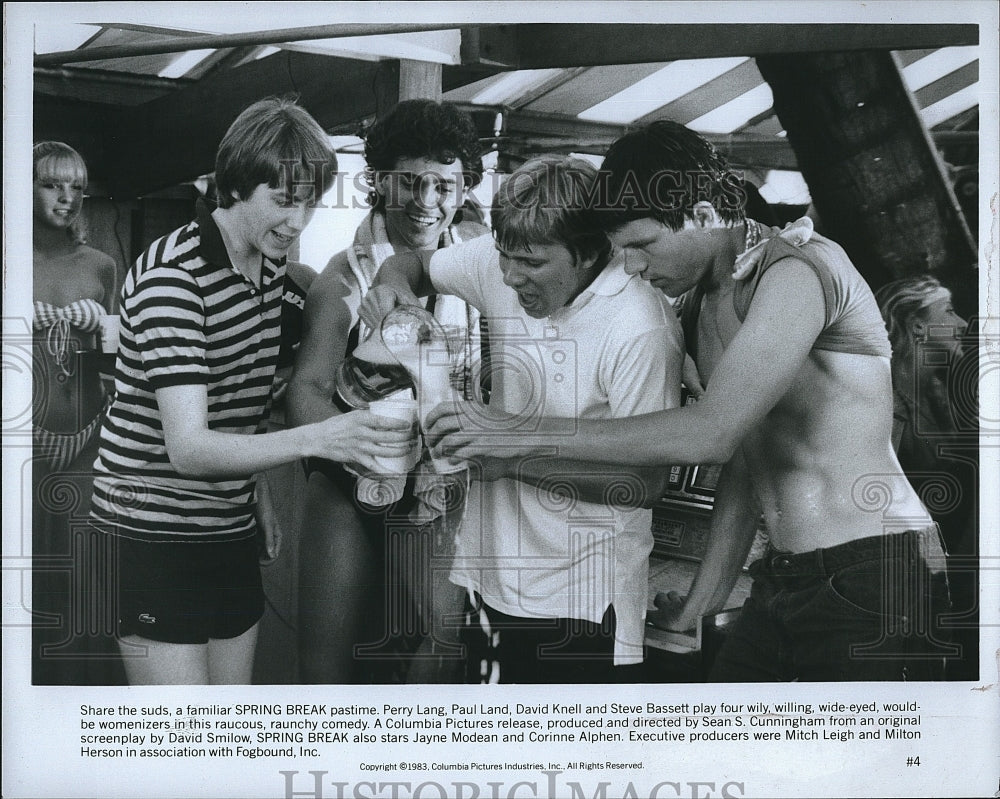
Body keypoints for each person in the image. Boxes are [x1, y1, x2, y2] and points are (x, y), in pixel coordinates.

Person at [425, 121, 954, 682]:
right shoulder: (705, 302)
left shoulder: (797, 270)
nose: (630, 265)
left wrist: (513, 432)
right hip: (787, 576)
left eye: (640, 246)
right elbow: (750, 461)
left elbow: (712, 432)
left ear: (702, 215)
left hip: (876, 566)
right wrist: (704, 598)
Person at [88, 97, 413, 685]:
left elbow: (238, 397)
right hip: (148, 534)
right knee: (184, 752)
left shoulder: (268, 270)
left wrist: (255, 491)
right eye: (285, 201)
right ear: (236, 186)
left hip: (227, 529)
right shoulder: (174, 280)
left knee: (229, 732)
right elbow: (189, 449)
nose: (299, 220)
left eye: (311, 203)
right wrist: (328, 436)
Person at [361, 154, 684, 683]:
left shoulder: (641, 326)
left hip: (583, 602)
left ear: (587, 253)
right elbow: (415, 264)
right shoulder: (504, 259)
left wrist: (509, 457)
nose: (510, 278)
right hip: (491, 577)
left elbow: (644, 482)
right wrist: (390, 283)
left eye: (531, 264)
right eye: (505, 257)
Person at [287, 99, 488, 683]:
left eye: (443, 184)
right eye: (409, 183)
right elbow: (307, 391)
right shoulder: (343, 276)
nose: (427, 202)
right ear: (378, 181)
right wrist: (363, 453)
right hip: (350, 474)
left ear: (463, 184)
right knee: (325, 667)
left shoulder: (485, 261)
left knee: (444, 638)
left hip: (443, 476)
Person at [31, 141, 121, 685]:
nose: (67, 198)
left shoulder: (102, 265)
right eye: (52, 184)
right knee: (23, 579)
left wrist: (102, 329)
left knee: (83, 576)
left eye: (77, 187)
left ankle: (81, 700)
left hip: (87, 434)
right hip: (17, 438)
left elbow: (119, 356)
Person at [877, 276, 977, 680]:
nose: (964, 322)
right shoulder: (888, 408)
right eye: (949, 311)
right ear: (918, 327)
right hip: (909, 596)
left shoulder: (943, 394)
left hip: (951, 586)